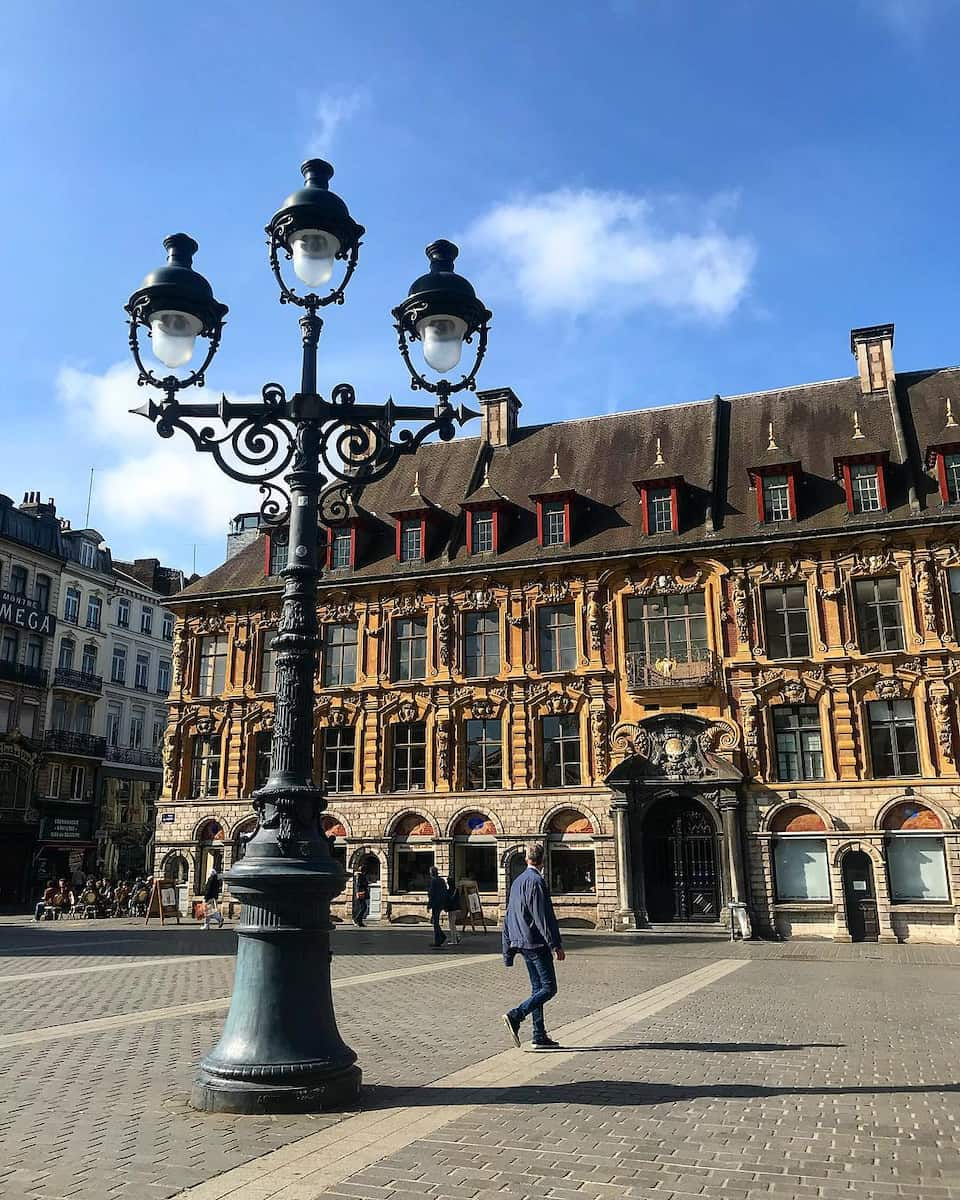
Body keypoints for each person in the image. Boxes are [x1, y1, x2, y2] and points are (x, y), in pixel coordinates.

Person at [501, 843, 565, 1051]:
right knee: (549, 988)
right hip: (536, 942)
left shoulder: (518, 881)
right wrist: (555, 944)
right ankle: (516, 1015)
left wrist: (508, 947)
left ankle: (539, 1035)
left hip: (521, 941)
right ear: (543, 860)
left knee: (538, 988)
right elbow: (542, 916)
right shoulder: (537, 881)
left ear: (527, 859)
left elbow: (509, 914)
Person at [426, 865, 448, 948]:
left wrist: (429, 905)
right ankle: (441, 937)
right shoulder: (442, 880)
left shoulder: (433, 881)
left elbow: (431, 894)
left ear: (432, 873)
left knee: (435, 922)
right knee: (435, 921)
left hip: (435, 904)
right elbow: (445, 891)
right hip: (441, 903)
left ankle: (439, 940)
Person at [445, 874, 462, 944]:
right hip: (457, 908)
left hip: (451, 908)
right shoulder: (456, 890)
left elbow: (448, 900)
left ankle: (454, 940)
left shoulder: (448, 891)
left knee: (451, 925)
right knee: (453, 924)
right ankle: (457, 936)